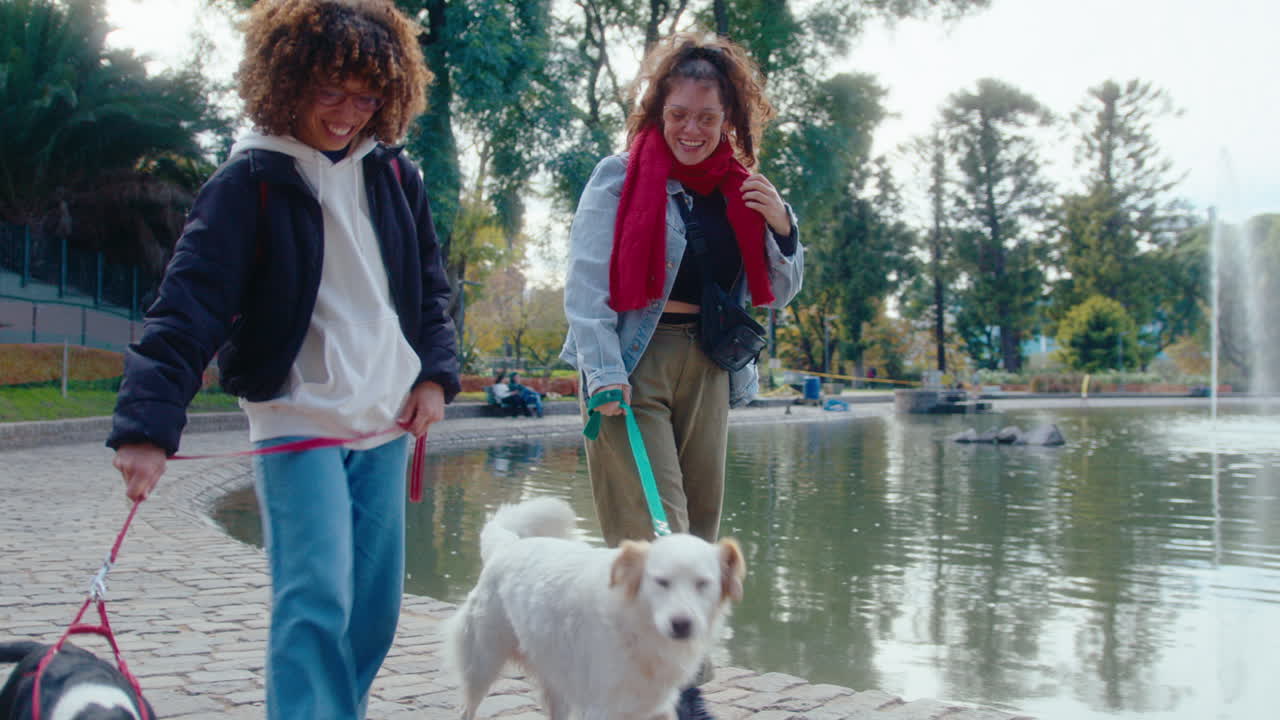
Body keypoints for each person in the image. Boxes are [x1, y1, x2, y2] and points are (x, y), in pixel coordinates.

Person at [105, 1, 460, 718]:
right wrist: (147, 426)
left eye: (366, 97)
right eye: (331, 90)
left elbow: (429, 286)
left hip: (386, 421)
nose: (347, 113)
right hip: (296, 416)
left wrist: (434, 376)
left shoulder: (396, 178)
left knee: (374, 612)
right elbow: (188, 304)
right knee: (316, 594)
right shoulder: (248, 182)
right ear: (289, 78)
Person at [559, 33, 804, 719]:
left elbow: (779, 291)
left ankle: (659, 673)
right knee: (655, 532)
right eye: (679, 115)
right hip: (631, 365)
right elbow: (583, 283)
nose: (692, 130)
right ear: (658, 113)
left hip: (710, 366)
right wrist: (600, 370)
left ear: (730, 118)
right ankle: (679, 695)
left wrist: (782, 224)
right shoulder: (620, 175)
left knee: (695, 537)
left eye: (707, 117)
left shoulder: (742, 185)